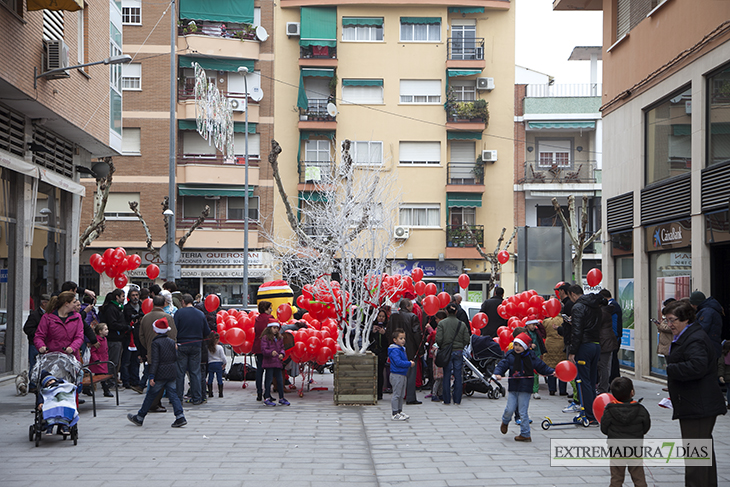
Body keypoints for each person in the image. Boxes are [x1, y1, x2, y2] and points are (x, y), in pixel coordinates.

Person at [663, 300, 726, 487]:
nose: (669, 324)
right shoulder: (690, 335)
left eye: (672, 320)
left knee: (695, 456)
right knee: (702, 453)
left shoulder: (694, 338)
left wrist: (671, 369)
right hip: (697, 403)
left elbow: (697, 366)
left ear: (686, 319)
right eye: (667, 320)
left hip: (698, 405)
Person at [494, 332, 555, 441]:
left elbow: (542, 366)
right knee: (509, 409)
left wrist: (552, 372)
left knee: (523, 412)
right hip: (514, 387)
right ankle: (505, 421)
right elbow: (502, 364)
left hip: (525, 388)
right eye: (516, 344)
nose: (517, 347)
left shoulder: (531, 357)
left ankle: (525, 434)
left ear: (526, 346)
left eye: (520, 345)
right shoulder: (510, 355)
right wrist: (498, 373)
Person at [127, 317, 187, 428]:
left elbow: (155, 361)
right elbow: (176, 357)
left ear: (155, 330)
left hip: (160, 373)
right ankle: (180, 416)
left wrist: (152, 376)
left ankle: (140, 417)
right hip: (171, 372)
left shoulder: (155, 343)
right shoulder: (171, 342)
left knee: (150, 395)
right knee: (173, 395)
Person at [600, 377, 650, 487]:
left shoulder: (609, 410)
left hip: (616, 448)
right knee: (638, 475)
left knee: (616, 477)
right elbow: (646, 427)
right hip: (635, 447)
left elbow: (604, 428)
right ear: (632, 392)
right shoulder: (641, 409)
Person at [568, 285, 605, 423]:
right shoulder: (595, 306)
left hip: (584, 346)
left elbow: (577, 331)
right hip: (595, 344)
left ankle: (589, 415)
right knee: (591, 380)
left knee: (584, 382)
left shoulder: (578, 307)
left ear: (572, 294)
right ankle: (594, 412)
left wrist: (572, 351)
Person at [138, 296, 176, 413]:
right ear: (164, 303)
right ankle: (153, 404)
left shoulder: (145, 317)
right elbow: (173, 336)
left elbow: (141, 336)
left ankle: (151, 405)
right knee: (161, 383)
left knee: (152, 376)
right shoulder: (168, 317)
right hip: (165, 355)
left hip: (150, 352)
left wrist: (148, 347)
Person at [174, 294, 209, 405]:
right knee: (195, 372)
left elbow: (174, 329)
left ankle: (178, 397)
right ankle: (197, 397)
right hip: (196, 345)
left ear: (183, 302)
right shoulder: (200, 314)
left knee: (180, 373)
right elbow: (207, 331)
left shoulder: (179, 313)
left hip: (182, 344)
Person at [387, 298, 422, 405]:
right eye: (411, 305)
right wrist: (420, 349)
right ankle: (410, 397)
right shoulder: (412, 317)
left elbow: (388, 332)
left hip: (395, 347)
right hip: (410, 349)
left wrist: (391, 344)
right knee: (411, 374)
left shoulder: (393, 317)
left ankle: (399, 395)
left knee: (398, 371)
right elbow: (417, 335)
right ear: (407, 306)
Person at [435, 303, 470, 405]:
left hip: (447, 351)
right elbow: (466, 339)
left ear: (446, 311)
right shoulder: (462, 324)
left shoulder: (442, 324)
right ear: (456, 312)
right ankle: (457, 399)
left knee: (447, 375)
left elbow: (439, 339)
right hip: (458, 351)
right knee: (458, 375)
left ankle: (446, 399)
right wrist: (460, 346)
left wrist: (443, 347)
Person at [34, 291, 85, 362]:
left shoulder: (77, 317)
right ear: (66, 303)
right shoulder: (47, 317)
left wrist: (72, 347)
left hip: (71, 357)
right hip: (51, 358)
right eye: (74, 302)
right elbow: (39, 335)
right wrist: (41, 346)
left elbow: (79, 336)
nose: (76, 305)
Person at [99, 289, 129, 384]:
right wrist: (125, 327)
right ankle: (110, 381)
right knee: (113, 361)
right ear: (117, 297)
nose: (124, 298)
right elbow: (113, 324)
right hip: (114, 338)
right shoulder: (112, 309)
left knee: (116, 361)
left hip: (118, 337)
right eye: (123, 296)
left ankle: (113, 378)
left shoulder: (118, 308)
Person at [23, 294, 50, 389]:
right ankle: (33, 384)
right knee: (34, 364)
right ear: (44, 303)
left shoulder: (49, 314)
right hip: (34, 344)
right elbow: (27, 328)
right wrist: (39, 334)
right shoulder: (35, 315)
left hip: (45, 344)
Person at [260, 322, 290, 406]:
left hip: (277, 362)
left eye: (277, 328)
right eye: (274, 328)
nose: (276, 330)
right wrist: (270, 352)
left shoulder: (279, 338)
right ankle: (267, 397)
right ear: (269, 328)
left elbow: (282, 348)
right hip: (269, 362)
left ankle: (281, 397)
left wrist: (282, 354)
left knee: (280, 380)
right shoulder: (265, 338)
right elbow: (263, 349)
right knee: (268, 380)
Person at [388, 328, 414, 420]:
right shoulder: (395, 350)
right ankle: (395, 413)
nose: (403, 340)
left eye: (404, 338)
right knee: (397, 394)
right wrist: (409, 364)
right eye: (401, 338)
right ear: (395, 340)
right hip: (396, 374)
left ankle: (399, 410)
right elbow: (398, 362)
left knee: (401, 394)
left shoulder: (401, 349)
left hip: (402, 374)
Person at [253, 301, 277, 401]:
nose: (271, 310)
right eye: (270, 308)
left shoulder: (257, 319)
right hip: (268, 347)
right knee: (269, 371)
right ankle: (267, 393)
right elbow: (275, 332)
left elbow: (256, 331)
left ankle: (259, 392)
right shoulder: (270, 319)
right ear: (266, 309)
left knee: (259, 370)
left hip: (258, 347)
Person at [689, 291, 724, 359]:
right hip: (711, 346)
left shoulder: (707, 311)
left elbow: (702, 329)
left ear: (696, 304)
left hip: (708, 347)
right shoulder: (708, 309)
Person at [122, 287, 144, 392]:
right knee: (126, 360)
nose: (135, 297)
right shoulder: (126, 308)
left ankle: (135, 380)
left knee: (136, 360)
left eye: (137, 295)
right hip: (129, 336)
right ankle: (126, 380)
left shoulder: (142, 306)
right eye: (133, 295)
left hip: (139, 335)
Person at [600, 289, 623, 383]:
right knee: (613, 360)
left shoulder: (612, 305)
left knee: (612, 360)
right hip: (614, 335)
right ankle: (615, 379)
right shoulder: (613, 304)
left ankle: (614, 379)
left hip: (614, 335)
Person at [597, 296, 619, 394]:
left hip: (605, 342)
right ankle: (603, 386)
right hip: (607, 341)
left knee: (604, 366)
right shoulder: (606, 311)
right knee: (605, 366)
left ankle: (603, 388)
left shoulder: (602, 313)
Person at [368, 308, 390, 400]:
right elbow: (368, 339)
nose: (381, 318)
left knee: (380, 373)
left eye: (383, 316)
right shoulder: (372, 325)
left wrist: (384, 333)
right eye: (379, 316)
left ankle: (379, 393)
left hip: (382, 353)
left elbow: (389, 340)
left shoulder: (387, 327)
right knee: (372, 373)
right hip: (373, 351)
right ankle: (372, 392)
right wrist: (372, 332)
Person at [89, 322, 114, 397]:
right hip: (98, 361)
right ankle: (106, 390)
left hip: (103, 360)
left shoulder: (105, 339)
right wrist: (96, 360)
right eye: (105, 329)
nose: (107, 331)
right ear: (100, 331)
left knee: (99, 376)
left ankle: (87, 388)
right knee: (101, 376)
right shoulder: (97, 340)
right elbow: (93, 351)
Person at [542, 315, 565, 396]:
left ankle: (552, 389)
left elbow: (543, 333)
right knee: (562, 367)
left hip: (549, 344)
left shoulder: (546, 321)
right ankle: (563, 390)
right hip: (562, 343)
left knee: (551, 367)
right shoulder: (563, 320)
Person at [524, 319, 546, 399]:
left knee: (535, 372)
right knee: (528, 372)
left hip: (537, 353)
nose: (534, 326)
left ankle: (535, 390)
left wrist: (539, 324)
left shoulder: (537, 331)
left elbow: (543, 333)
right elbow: (522, 342)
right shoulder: (525, 332)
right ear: (527, 325)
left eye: (535, 325)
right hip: (528, 354)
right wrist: (530, 345)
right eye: (532, 325)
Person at [429, 310, 448, 402]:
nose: (435, 320)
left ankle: (439, 393)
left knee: (440, 377)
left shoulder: (440, 329)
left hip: (439, 354)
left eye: (436, 318)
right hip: (439, 354)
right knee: (439, 378)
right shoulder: (440, 329)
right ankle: (435, 393)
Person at [207, 332, 227, 398]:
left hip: (211, 363)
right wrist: (225, 363)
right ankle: (220, 393)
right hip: (218, 363)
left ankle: (210, 392)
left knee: (210, 378)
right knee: (219, 378)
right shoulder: (219, 347)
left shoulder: (208, 348)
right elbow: (223, 357)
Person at [718, 341, 730, 406]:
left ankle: (729, 403)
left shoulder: (723, 356)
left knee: (729, 390)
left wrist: (721, 376)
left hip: (726, 377)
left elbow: (721, 366)